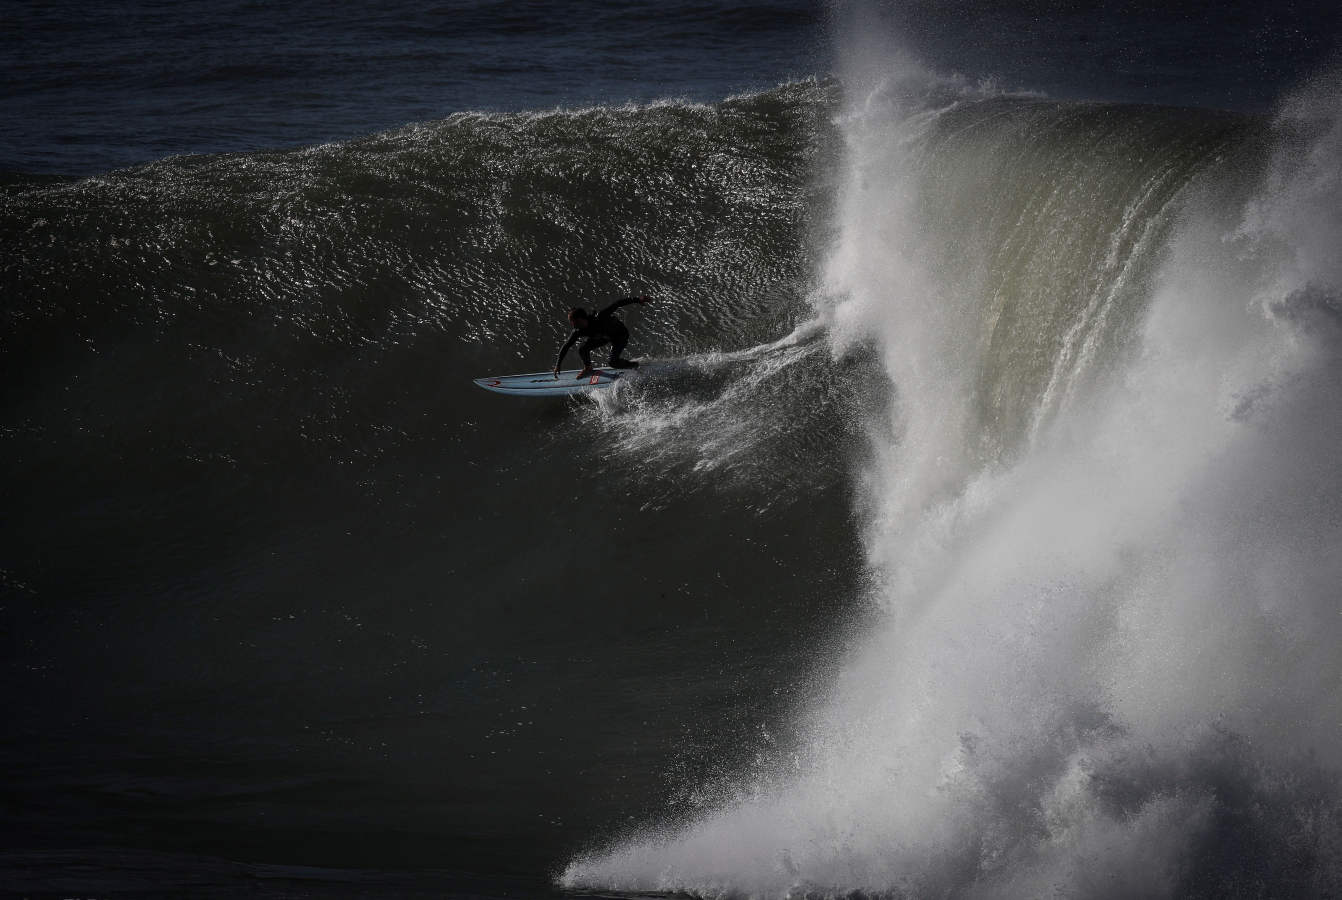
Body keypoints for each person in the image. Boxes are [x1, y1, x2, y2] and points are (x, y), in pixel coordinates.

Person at [553, 296, 653, 379]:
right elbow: (566, 346)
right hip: (604, 337)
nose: (573, 325)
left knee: (613, 362)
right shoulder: (578, 330)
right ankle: (588, 368)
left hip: (620, 335)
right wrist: (558, 365)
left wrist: (638, 300)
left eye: (574, 322)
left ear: (581, 319)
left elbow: (617, 304)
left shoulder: (600, 317)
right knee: (582, 348)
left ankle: (635, 365)